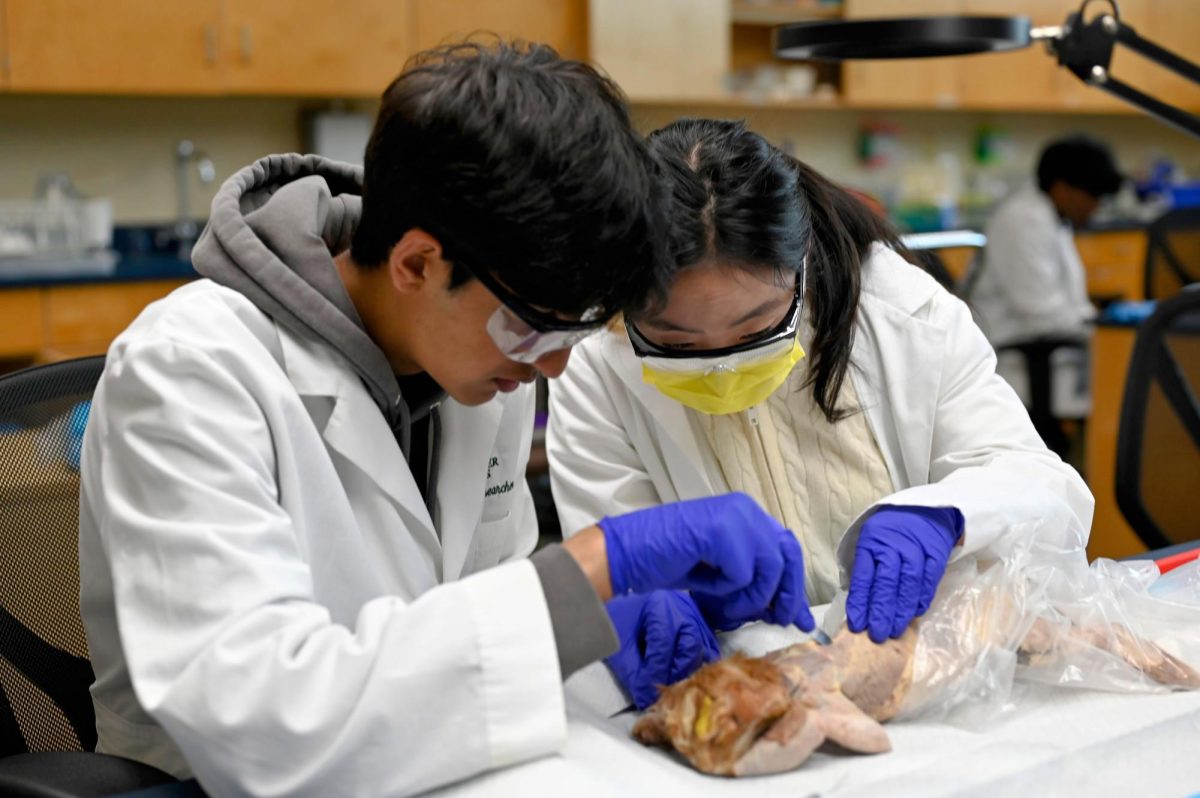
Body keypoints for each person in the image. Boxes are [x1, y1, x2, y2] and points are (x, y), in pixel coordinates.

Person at [77, 45, 811, 797]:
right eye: (538, 328)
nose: (552, 368)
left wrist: (600, 628)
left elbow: (475, 615)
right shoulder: (188, 371)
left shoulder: (478, 361)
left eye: (572, 334)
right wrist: (591, 566)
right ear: (418, 264)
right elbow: (259, 722)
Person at [548, 119, 1095, 702]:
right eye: (674, 342)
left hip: (928, 676)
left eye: (755, 328)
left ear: (799, 269)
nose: (720, 366)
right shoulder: (596, 363)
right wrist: (635, 603)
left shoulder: (902, 312)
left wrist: (947, 514)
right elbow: (607, 553)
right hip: (740, 689)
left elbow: (1047, 491)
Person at [969, 135, 1124, 455]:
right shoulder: (1023, 221)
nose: (1097, 206)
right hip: (1021, 358)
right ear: (1062, 188)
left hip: (1051, 349)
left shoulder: (1051, 216)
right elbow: (1038, 310)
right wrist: (1099, 324)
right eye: (1092, 195)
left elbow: (1062, 301)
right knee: (1124, 379)